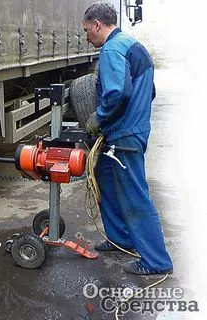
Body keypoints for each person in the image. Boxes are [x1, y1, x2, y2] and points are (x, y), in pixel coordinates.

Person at [82, 2, 173, 275]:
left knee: (135, 196)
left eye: (87, 30)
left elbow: (118, 92)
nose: (86, 37)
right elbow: (150, 91)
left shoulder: (112, 49)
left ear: (98, 25)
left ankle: (156, 261)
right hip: (130, 130)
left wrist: (99, 118)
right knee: (104, 178)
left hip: (125, 135)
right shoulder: (132, 44)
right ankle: (121, 238)